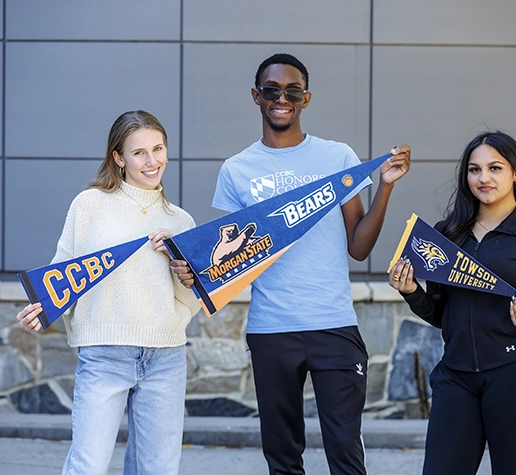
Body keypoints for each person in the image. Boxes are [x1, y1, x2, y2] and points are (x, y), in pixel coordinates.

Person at [172, 52, 410, 474]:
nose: (282, 98)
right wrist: (195, 272)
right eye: (271, 90)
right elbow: (229, 257)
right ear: (256, 96)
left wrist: (385, 189)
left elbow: (359, 247)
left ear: (306, 98)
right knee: (282, 457)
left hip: (333, 324)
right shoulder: (236, 170)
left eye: (292, 91)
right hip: (271, 331)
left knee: (346, 454)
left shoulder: (337, 157)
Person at [16, 110, 201, 475]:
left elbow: (191, 302)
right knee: (87, 466)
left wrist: (181, 268)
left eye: (158, 149)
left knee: (158, 470)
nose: (152, 161)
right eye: (139, 153)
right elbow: (63, 273)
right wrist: (40, 311)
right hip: (104, 354)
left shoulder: (181, 221)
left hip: (166, 357)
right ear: (118, 157)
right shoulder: (90, 205)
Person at [389, 131, 516, 475]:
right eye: (474, 170)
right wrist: (411, 291)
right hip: (456, 376)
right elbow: (443, 315)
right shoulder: (446, 233)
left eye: (495, 168)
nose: (483, 178)